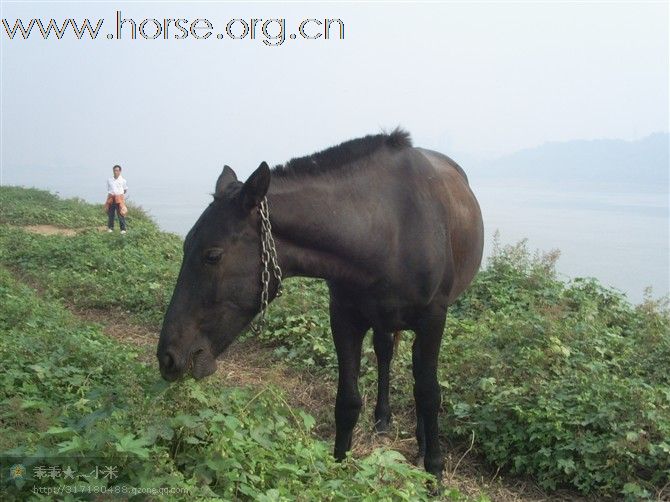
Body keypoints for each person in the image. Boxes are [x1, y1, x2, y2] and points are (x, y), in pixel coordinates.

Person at [105, 165, 128, 233]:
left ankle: (123, 229)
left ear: (120, 171)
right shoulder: (109, 180)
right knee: (111, 213)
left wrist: (119, 196)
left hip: (119, 198)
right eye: (114, 170)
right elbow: (108, 189)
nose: (115, 172)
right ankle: (110, 228)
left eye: (117, 170)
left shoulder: (123, 180)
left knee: (121, 213)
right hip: (111, 198)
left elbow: (125, 190)